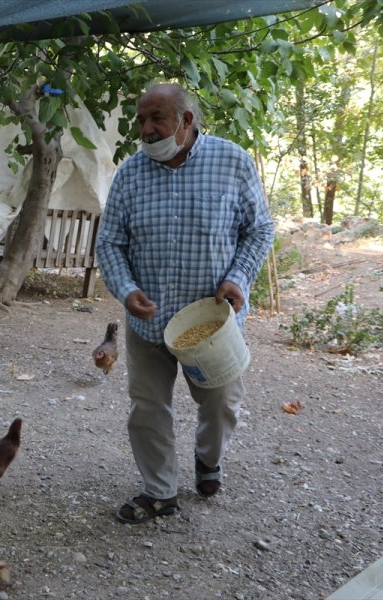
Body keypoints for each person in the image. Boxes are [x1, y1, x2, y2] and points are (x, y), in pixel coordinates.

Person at [96, 82, 274, 524]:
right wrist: (124, 287)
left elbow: (260, 229)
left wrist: (238, 278)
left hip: (212, 325)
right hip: (148, 322)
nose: (147, 129)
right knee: (148, 407)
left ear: (186, 120)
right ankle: (160, 492)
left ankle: (209, 460)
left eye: (157, 118)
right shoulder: (131, 173)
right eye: (141, 120)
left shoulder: (232, 162)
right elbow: (110, 243)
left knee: (221, 403)